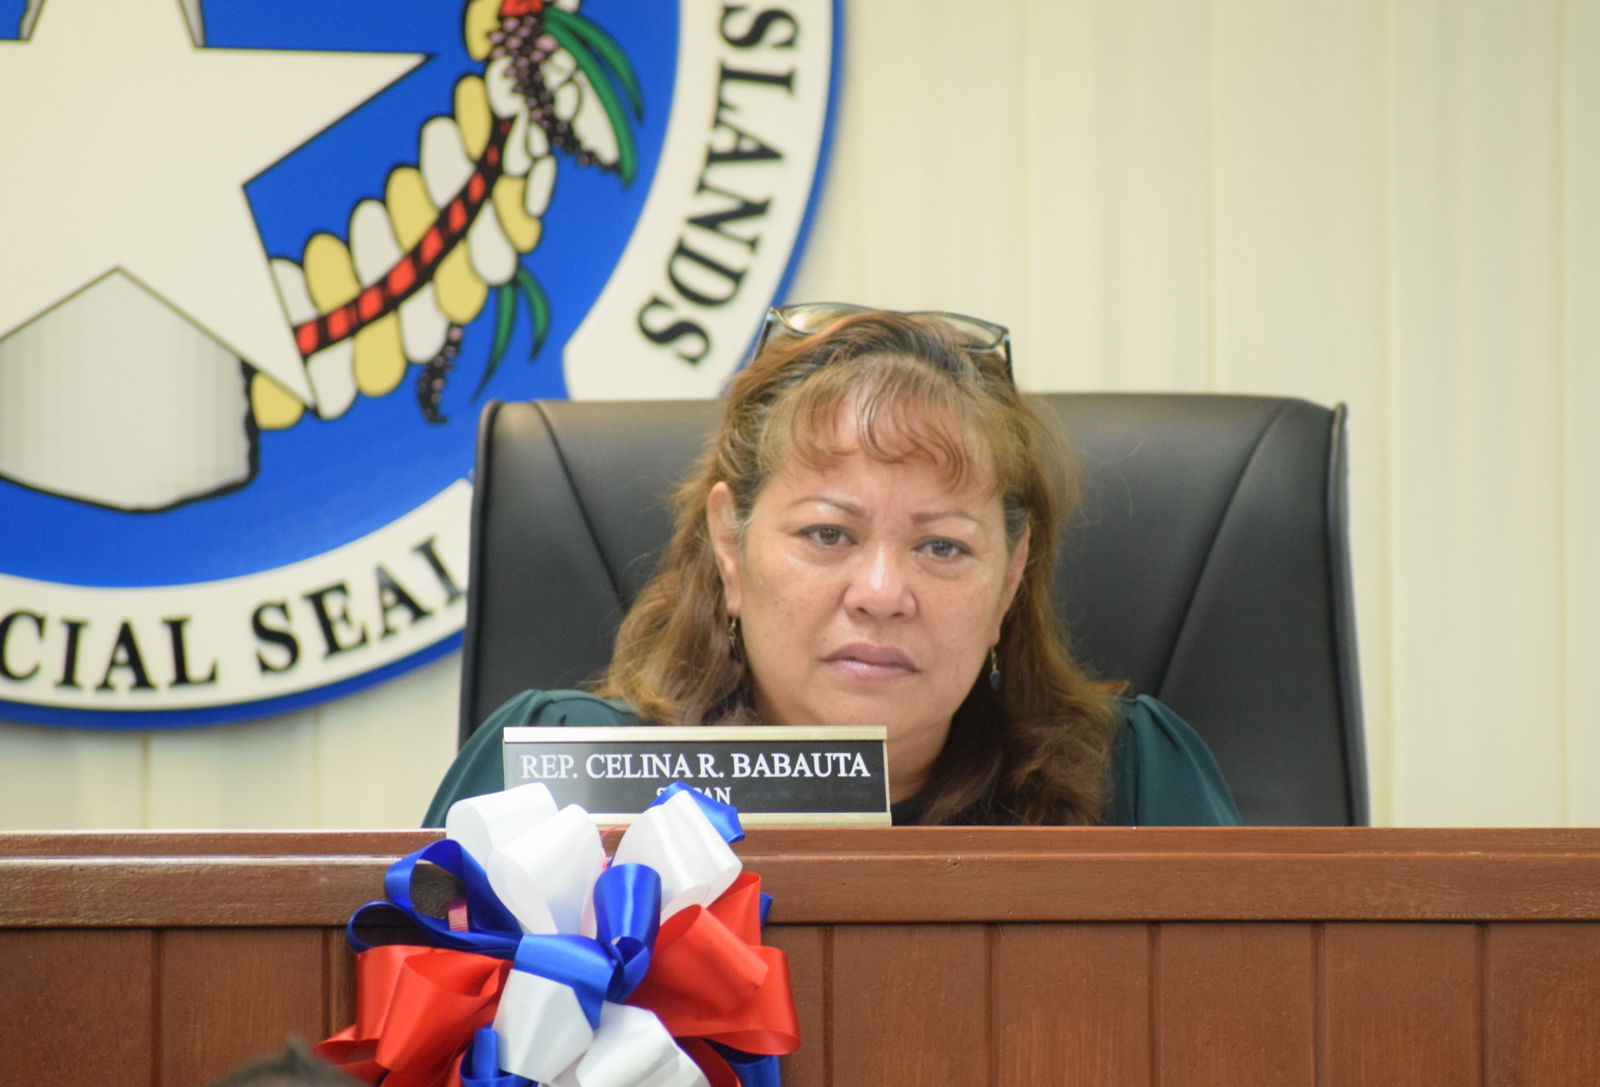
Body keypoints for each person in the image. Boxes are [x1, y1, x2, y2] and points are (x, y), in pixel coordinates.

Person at [425, 304, 1239, 827]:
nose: (883, 593)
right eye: (828, 535)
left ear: (1012, 577)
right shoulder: (558, 777)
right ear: (729, 546)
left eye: (943, 546)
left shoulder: (1132, 785)